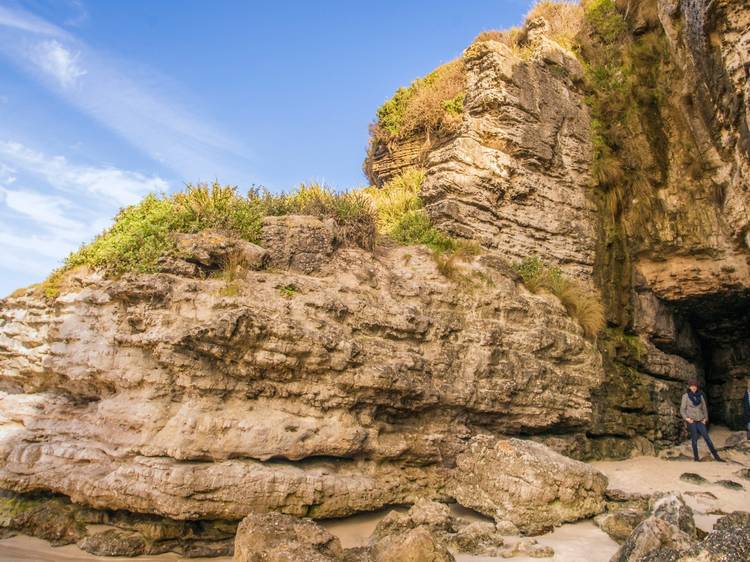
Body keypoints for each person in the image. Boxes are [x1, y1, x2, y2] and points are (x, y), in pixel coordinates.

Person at [680, 379, 723, 462]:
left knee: (707, 438)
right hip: (692, 421)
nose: (694, 388)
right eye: (692, 386)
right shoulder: (685, 396)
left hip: (700, 420)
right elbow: (682, 410)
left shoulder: (700, 395)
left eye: (695, 386)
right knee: (694, 439)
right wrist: (687, 418)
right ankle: (696, 458)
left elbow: (704, 408)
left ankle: (717, 457)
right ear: (689, 387)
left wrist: (705, 419)